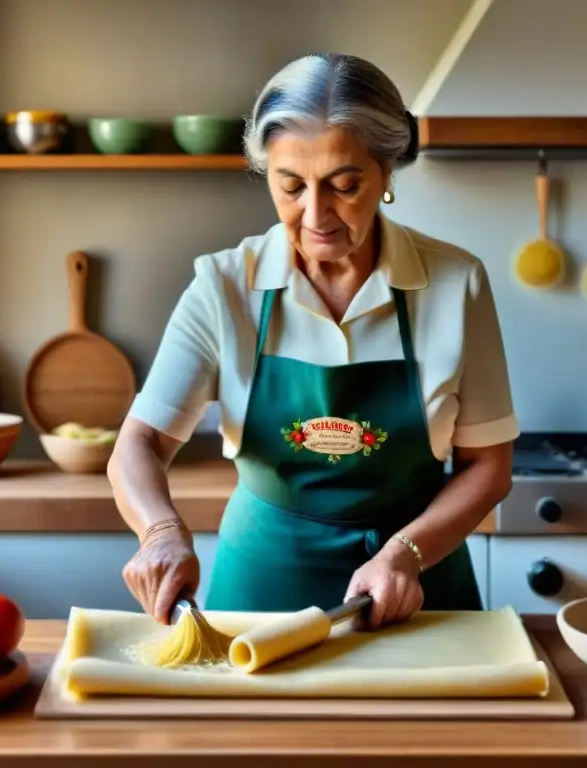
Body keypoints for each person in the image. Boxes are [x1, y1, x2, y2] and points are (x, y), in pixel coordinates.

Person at [108, 53, 518, 630]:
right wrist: (159, 531)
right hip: (261, 587)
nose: (316, 214)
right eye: (291, 186)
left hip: (417, 586)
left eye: (345, 186)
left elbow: (489, 466)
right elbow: (140, 442)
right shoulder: (225, 285)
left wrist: (404, 554)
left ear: (387, 174)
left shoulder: (455, 284)